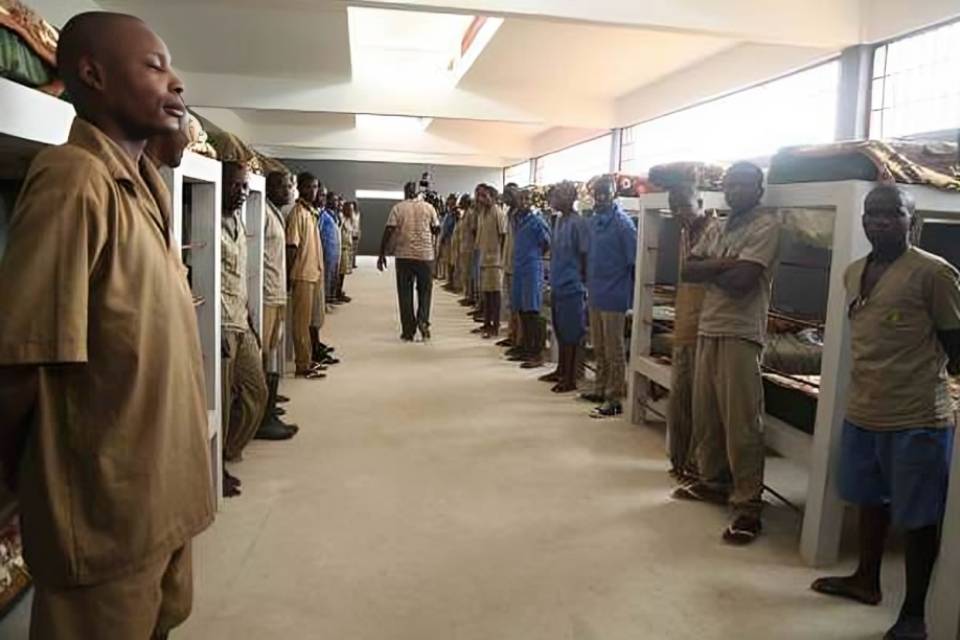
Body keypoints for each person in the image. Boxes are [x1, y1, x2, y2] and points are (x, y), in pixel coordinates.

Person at [0, 12, 212, 638]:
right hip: (107, 509)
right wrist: (22, 482)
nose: (176, 82)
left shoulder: (142, 185)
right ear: (92, 75)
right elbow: (24, 358)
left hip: (160, 496)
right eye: (154, 66)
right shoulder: (73, 180)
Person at [810, 185, 960, 640]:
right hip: (864, 410)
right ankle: (866, 580)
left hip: (916, 417)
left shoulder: (934, 274)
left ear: (912, 220)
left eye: (892, 213)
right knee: (868, 500)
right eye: (871, 213)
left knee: (919, 517)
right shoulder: (853, 272)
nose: (878, 221)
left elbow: (956, 346)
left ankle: (914, 613)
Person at [673, 162, 779, 545]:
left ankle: (748, 505)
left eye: (743, 184)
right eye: (729, 184)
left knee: (741, 422)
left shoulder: (767, 225)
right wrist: (726, 264)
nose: (734, 191)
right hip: (709, 325)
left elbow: (743, 281)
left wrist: (712, 268)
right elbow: (688, 270)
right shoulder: (718, 226)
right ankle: (715, 481)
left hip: (740, 331)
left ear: (759, 188)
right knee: (707, 413)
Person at [219, 162, 270, 492]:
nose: (241, 192)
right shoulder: (206, 221)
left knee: (256, 391)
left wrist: (251, 318)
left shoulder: (238, 220)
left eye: (244, 186)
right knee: (221, 400)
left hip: (241, 320)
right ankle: (214, 468)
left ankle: (227, 449)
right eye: (235, 185)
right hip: (221, 325)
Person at [665, 184, 719, 483]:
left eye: (683, 205)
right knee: (680, 399)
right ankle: (679, 460)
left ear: (700, 201)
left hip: (706, 326)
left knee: (702, 404)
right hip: (684, 325)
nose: (678, 212)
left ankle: (698, 467)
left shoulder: (717, 232)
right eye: (673, 207)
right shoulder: (685, 233)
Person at [582, 175, 638, 418]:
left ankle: (614, 398)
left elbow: (634, 263)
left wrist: (633, 300)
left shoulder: (623, 225)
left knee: (614, 349)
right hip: (596, 292)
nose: (600, 198)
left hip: (615, 294)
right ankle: (600, 388)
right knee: (599, 345)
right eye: (597, 194)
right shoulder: (594, 221)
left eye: (605, 193)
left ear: (614, 194)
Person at [260, 171, 300, 440]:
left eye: (289, 186)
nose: (288, 191)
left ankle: (269, 405)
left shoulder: (276, 212)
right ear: (269, 187)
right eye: (283, 186)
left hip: (276, 292)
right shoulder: (262, 212)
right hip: (265, 293)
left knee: (272, 349)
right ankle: (263, 415)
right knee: (262, 352)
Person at [541, 181, 589, 393]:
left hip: (572, 287)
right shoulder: (559, 221)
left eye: (558, 196)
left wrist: (581, 283)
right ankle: (560, 370)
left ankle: (570, 378)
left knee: (571, 333)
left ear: (569, 198)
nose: (554, 200)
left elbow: (585, 255)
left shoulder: (579, 223)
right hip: (558, 284)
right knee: (560, 330)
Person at [378, 181, 440, 341]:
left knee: (405, 293)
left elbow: (389, 229)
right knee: (425, 291)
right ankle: (423, 321)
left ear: (405, 193)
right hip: (425, 256)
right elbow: (436, 229)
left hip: (404, 255)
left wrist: (382, 253)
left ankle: (408, 330)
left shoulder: (398, 208)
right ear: (418, 193)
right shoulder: (429, 208)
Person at [286, 172, 326, 378]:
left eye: (315, 187)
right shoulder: (297, 213)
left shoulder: (310, 212)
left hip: (313, 273)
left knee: (309, 320)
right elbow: (292, 247)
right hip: (302, 274)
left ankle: (309, 359)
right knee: (301, 323)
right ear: (300, 188)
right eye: (309, 187)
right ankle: (302, 364)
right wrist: (288, 276)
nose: (313, 191)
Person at [510, 187, 551, 367]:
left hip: (532, 268)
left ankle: (536, 352)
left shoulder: (537, 221)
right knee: (521, 309)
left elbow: (546, 243)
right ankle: (525, 347)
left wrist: (534, 256)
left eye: (527, 199)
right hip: (519, 268)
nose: (523, 203)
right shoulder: (517, 220)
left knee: (532, 311)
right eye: (521, 199)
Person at [475, 185, 509, 338]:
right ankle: (486, 323)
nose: (481, 199)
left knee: (495, 294)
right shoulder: (483, 213)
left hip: (495, 260)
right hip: (485, 258)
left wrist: (502, 258)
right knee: (487, 293)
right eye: (480, 196)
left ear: (493, 197)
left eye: (485, 196)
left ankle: (495, 325)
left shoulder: (498, 213)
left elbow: (503, 235)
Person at [319, 191, 342, 305]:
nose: (336, 202)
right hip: (327, 249)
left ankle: (332, 296)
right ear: (328, 201)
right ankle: (326, 299)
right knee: (327, 274)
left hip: (335, 249)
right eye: (334, 200)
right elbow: (319, 231)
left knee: (334, 273)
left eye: (337, 200)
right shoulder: (323, 215)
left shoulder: (335, 215)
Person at [339, 200, 359, 302]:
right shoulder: (341, 219)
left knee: (343, 272)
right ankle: (337, 292)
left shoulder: (349, 220)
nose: (351, 211)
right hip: (341, 248)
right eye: (350, 209)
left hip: (347, 248)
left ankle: (339, 290)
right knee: (340, 272)